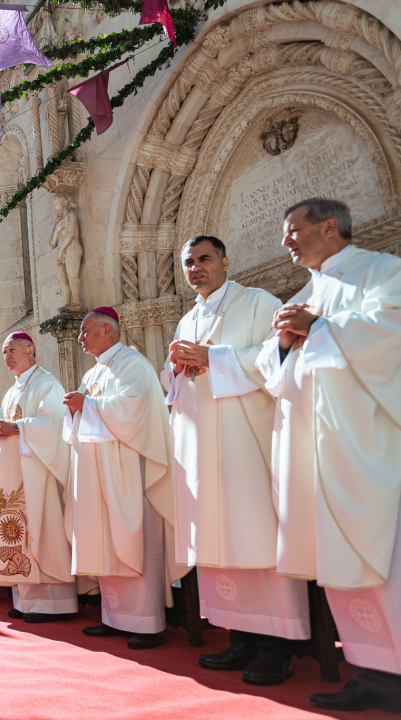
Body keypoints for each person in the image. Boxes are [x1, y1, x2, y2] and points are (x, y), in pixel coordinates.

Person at [254, 198, 401, 712]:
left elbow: (390, 332)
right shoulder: (307, 293)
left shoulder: (381, 272)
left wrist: (318, 328)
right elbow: (270, 369)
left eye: (293, 231)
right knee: (338, 556)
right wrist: (284, 343)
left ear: (330, 226)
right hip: (315, 448)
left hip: (365, 443)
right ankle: (373, 671)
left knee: (381, 551)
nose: (285, 242)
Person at [162, 235, 306, 685]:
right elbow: (172, 386)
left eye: (204, 259)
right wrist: (176, 369)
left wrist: (214, 359)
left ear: (225, 262)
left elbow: (277, 360)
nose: (195, 268)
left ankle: (277, 646)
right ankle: (240, 635)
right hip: (203, 449)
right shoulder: (187, 319)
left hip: (247, 443)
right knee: (218, 539)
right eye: (188, 262)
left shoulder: (258, 303)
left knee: (254, 535)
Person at [63, 308, 177, 649]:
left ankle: (147, 622)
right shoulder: (93, 373)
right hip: (98, 470)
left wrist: (87, 405)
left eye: (85, 331)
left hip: (127, 471)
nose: (80, 338)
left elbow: (134, 409)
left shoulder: (133, 364)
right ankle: (114, 617)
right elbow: (83, 415)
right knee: (104, 540)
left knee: (134, 542)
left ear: (107, 331)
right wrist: (75, 408)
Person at [0, 332, 77, 622]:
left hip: (38, 475)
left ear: (30, 350)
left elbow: (53, 423)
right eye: (4, 352)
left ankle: (52, 604)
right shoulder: (11, 392)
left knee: (43, 529)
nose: (7, 356)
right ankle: (25, 601)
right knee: (16, 532)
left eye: (12, 350)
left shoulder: (46, 383)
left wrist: (17, 428)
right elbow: (3, 425)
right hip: (14, 474)